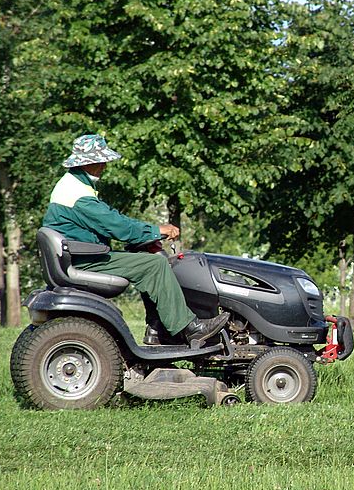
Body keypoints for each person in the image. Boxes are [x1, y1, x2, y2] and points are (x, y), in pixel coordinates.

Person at [42, 134, 229, 345]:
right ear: (90, 163)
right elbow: (117, 226)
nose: (104, 166)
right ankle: (190, 328)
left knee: (144, 257)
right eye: (101, 161)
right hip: (86, 259)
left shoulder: (71, 185)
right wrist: (157, 231)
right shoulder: (78, 195)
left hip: (80, 253)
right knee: (156, 264)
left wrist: (145, 238)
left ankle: (157, 330)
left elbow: (108, 223)